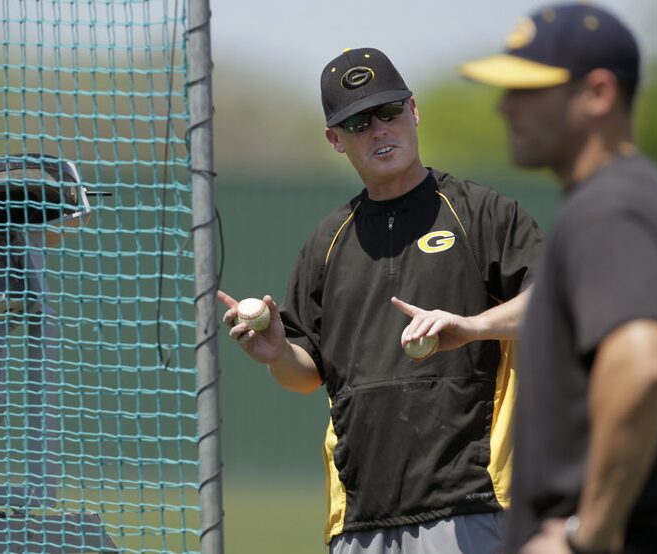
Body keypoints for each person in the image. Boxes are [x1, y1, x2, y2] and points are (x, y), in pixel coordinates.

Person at [219, 47, 544, 553]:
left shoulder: (482, 214)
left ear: (412, 110)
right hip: (360, 513)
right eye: (358, 122)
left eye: (388, 112)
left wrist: (472, 327)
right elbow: (305, 376)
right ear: (334, 139)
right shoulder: (327, 241)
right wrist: (278, 353)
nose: (379, 130)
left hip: (471, 502)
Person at [461, 4, 657, 554]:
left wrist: (589, 532)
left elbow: (646, 359)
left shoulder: (610, 208)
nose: (504, 107)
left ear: (599, 93)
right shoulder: (630, 199)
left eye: (528, 90)